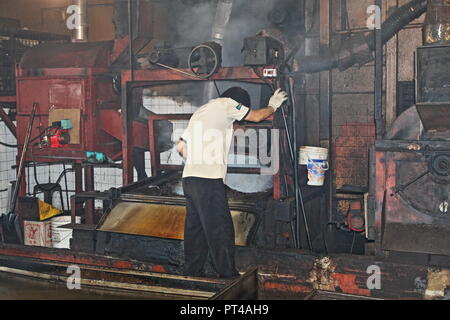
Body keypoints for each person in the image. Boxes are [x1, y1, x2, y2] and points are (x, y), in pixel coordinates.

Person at [176, 87, 288, 278]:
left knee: (196, 231)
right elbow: (256, 116)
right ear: (239, 104)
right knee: (220, 229)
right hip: (208, 181)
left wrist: (199, 158)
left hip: (190, 179)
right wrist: (273, 105)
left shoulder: (201, 111)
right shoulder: (227, 104)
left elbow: (180, 147)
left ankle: (192, 274)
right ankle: (228, 277)